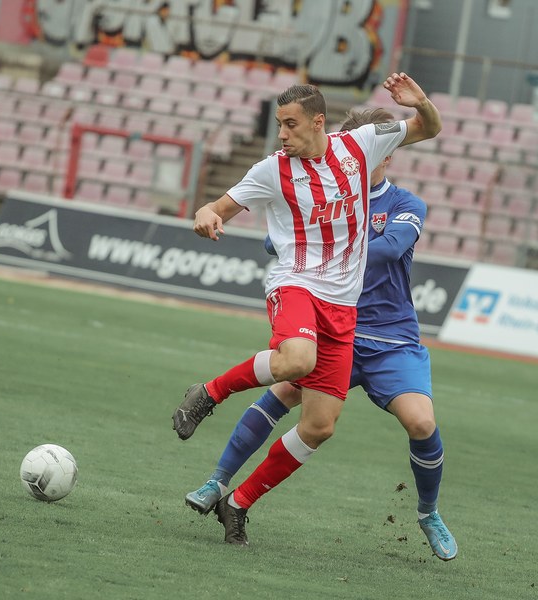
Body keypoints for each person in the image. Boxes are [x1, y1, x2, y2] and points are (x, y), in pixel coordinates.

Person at [172, 73, 442, 546]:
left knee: (319, 426)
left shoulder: (360, 146)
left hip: (344, 309)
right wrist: (207, 214)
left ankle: (237, 503)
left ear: (318, 123)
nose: (281, 134)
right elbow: (218, 206)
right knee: (295, 362)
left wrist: (420, 101)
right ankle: (209, 393)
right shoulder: (271, 170)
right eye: (279, 124)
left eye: (290, 124)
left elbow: (429, 128)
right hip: (296, 285)